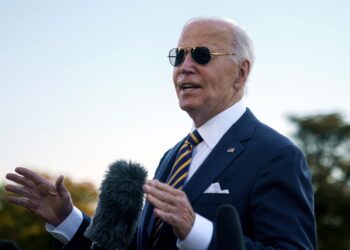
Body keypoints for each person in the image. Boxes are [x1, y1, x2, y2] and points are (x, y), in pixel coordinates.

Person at [5, 17, 317, 249]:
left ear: (241, 72)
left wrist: (196, 230)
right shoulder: (174, 156)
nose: (186, 66)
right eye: (178, 56)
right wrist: (67, 218)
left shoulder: (276, 155)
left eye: (202, 55)